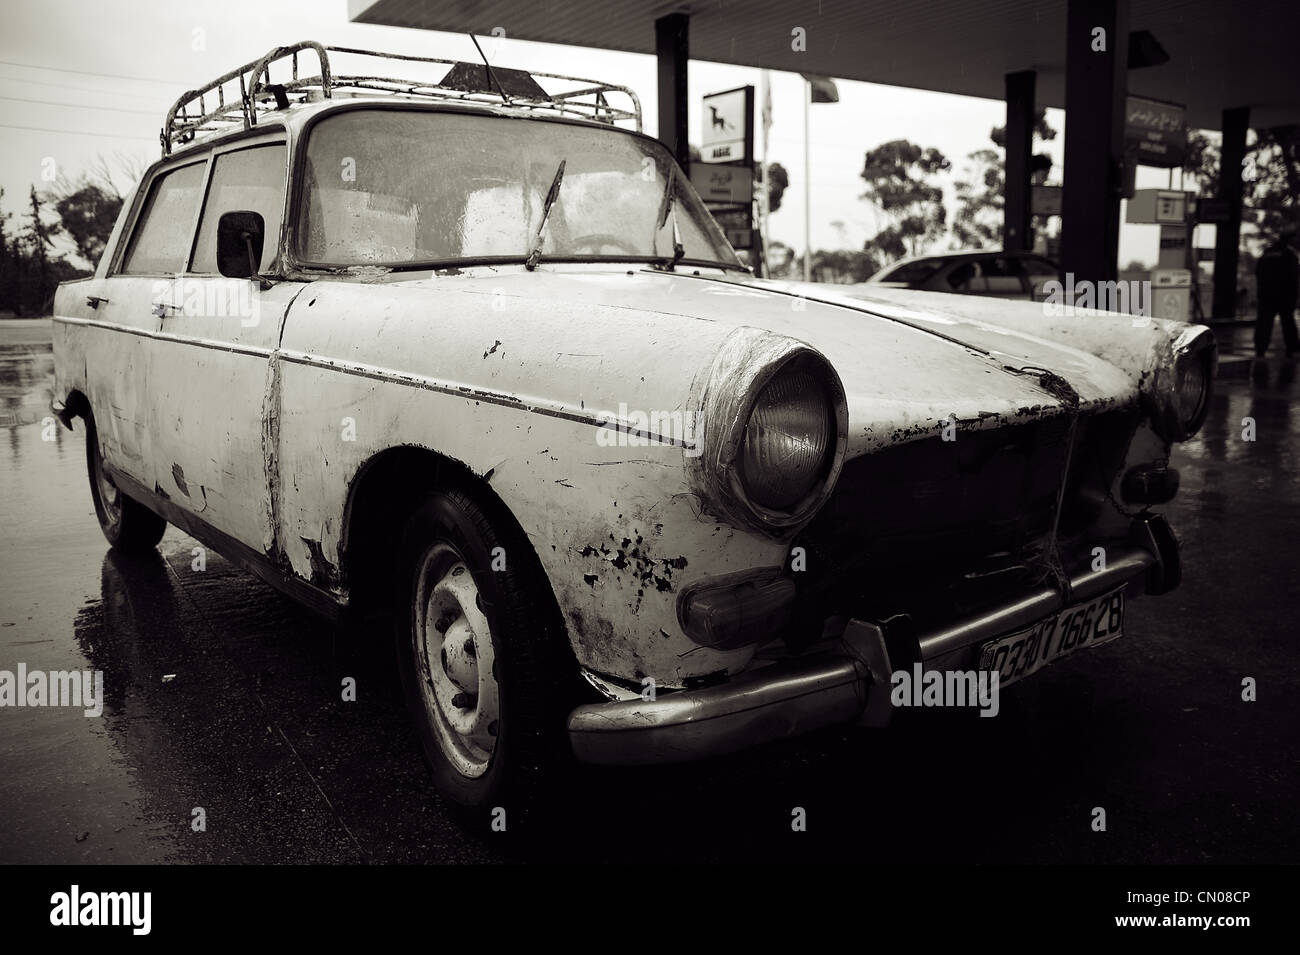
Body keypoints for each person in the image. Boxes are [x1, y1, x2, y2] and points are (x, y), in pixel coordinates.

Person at [1255, 231, 1299, 358]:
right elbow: (1293, 276)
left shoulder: (1267, 253)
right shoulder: (1289, 254)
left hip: (1266, 295)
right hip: (1284, 295)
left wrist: (1261, 291)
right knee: (1287, 322)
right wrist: (1294, 296)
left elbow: (1259, 272)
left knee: (1264, 323)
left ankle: (1260, 348)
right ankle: (1291, 348)